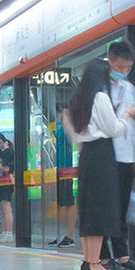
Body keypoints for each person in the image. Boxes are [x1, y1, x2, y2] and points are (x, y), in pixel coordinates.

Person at [65, 57, 135, 270]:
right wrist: (126, 115)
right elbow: (114, 129)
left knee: (88, 210)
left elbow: (75, 135)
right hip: (102, 155)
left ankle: (88, 261)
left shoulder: (76, 101)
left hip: (86, 155)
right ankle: (96, 262)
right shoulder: (100, 98)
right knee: (99, 210)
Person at [103, 40, 135, 270]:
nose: (124, 71)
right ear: (110, 61)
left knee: (122, 209)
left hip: (126, 157)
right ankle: (103, 258)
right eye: (120, 66)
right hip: (107, 156)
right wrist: (126, 112)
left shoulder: (129, 87)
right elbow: (109, 122)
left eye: (128, 67)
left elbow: (132, 127)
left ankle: (124, 257)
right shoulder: (101, 86)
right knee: (107, 208)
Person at [50, 103, 77, 248]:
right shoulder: (59, 127)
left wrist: (67, 118)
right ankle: (60, 234)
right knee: (60, 204)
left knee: (69, 203)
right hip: (59, 169)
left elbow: (71, 138)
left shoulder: (70, 125)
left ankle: (70, 236)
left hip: (67, 169)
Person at [0, 133, 15, 243]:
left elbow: (6, 168)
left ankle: (9, 233)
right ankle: (4, 232)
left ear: (1, 141)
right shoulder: (4, 152)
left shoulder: (8, 151)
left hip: (7, 181)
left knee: (6, 207)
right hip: (2, 180)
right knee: (2, 208)